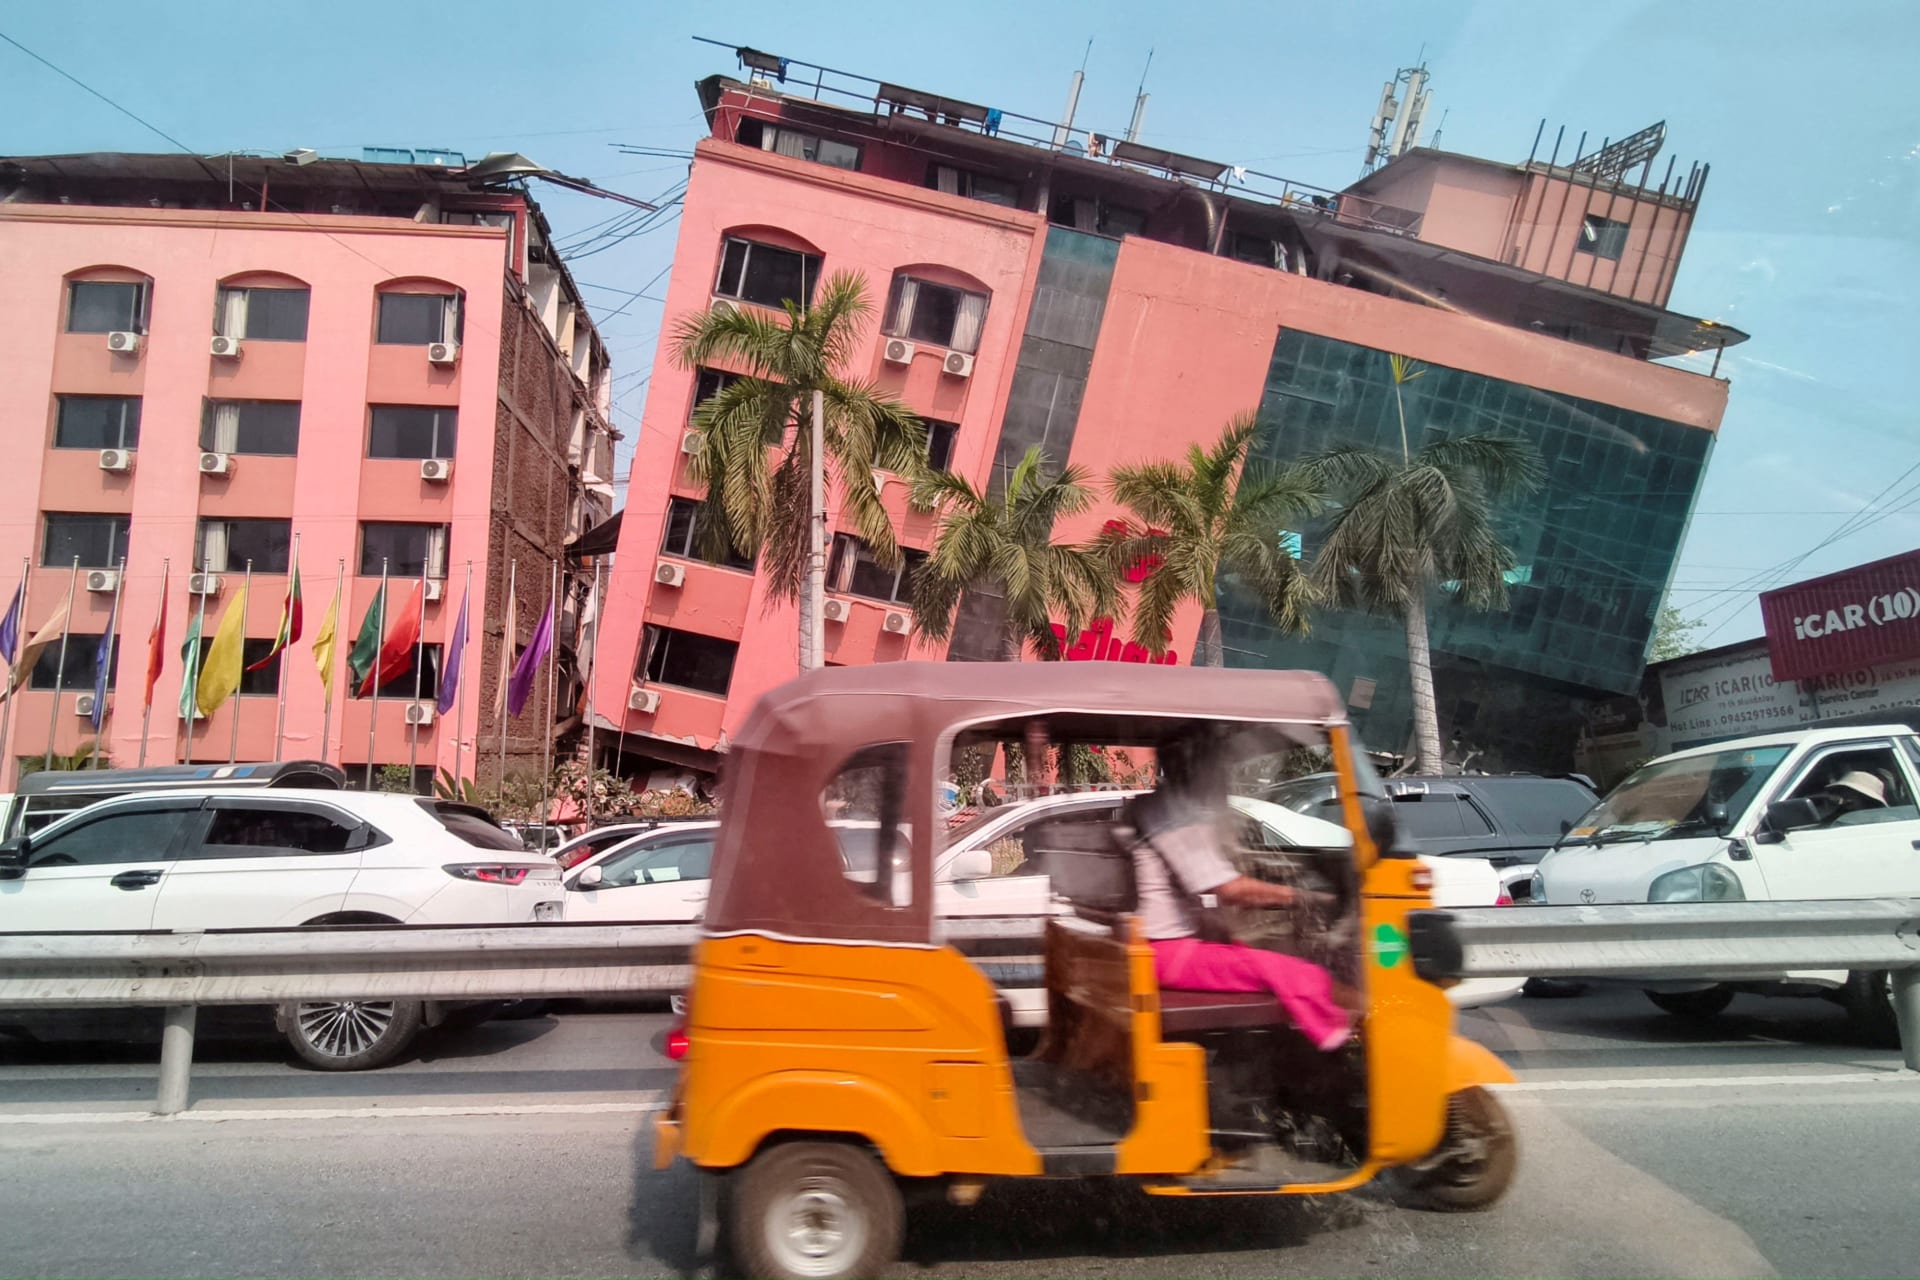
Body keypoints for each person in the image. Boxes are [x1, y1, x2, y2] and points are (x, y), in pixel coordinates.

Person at [1127, 734, 1352, 1051]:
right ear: (1190, 762)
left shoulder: (1160, 807)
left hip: (1160, 950)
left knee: (1270, 955)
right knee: (1307, 976)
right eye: (1217, 762)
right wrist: (1307, 897)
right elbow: (1228, 888)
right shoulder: (1170, 812)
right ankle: (1336, 1048)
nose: (1222, 772)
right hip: (1166, 955)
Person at [1820, 769, 1888, 822]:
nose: (1841, 802)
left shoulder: (1885, 824)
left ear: (1866, 798)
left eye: (1849, 798)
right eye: (1842, 794)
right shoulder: (1836, 819)